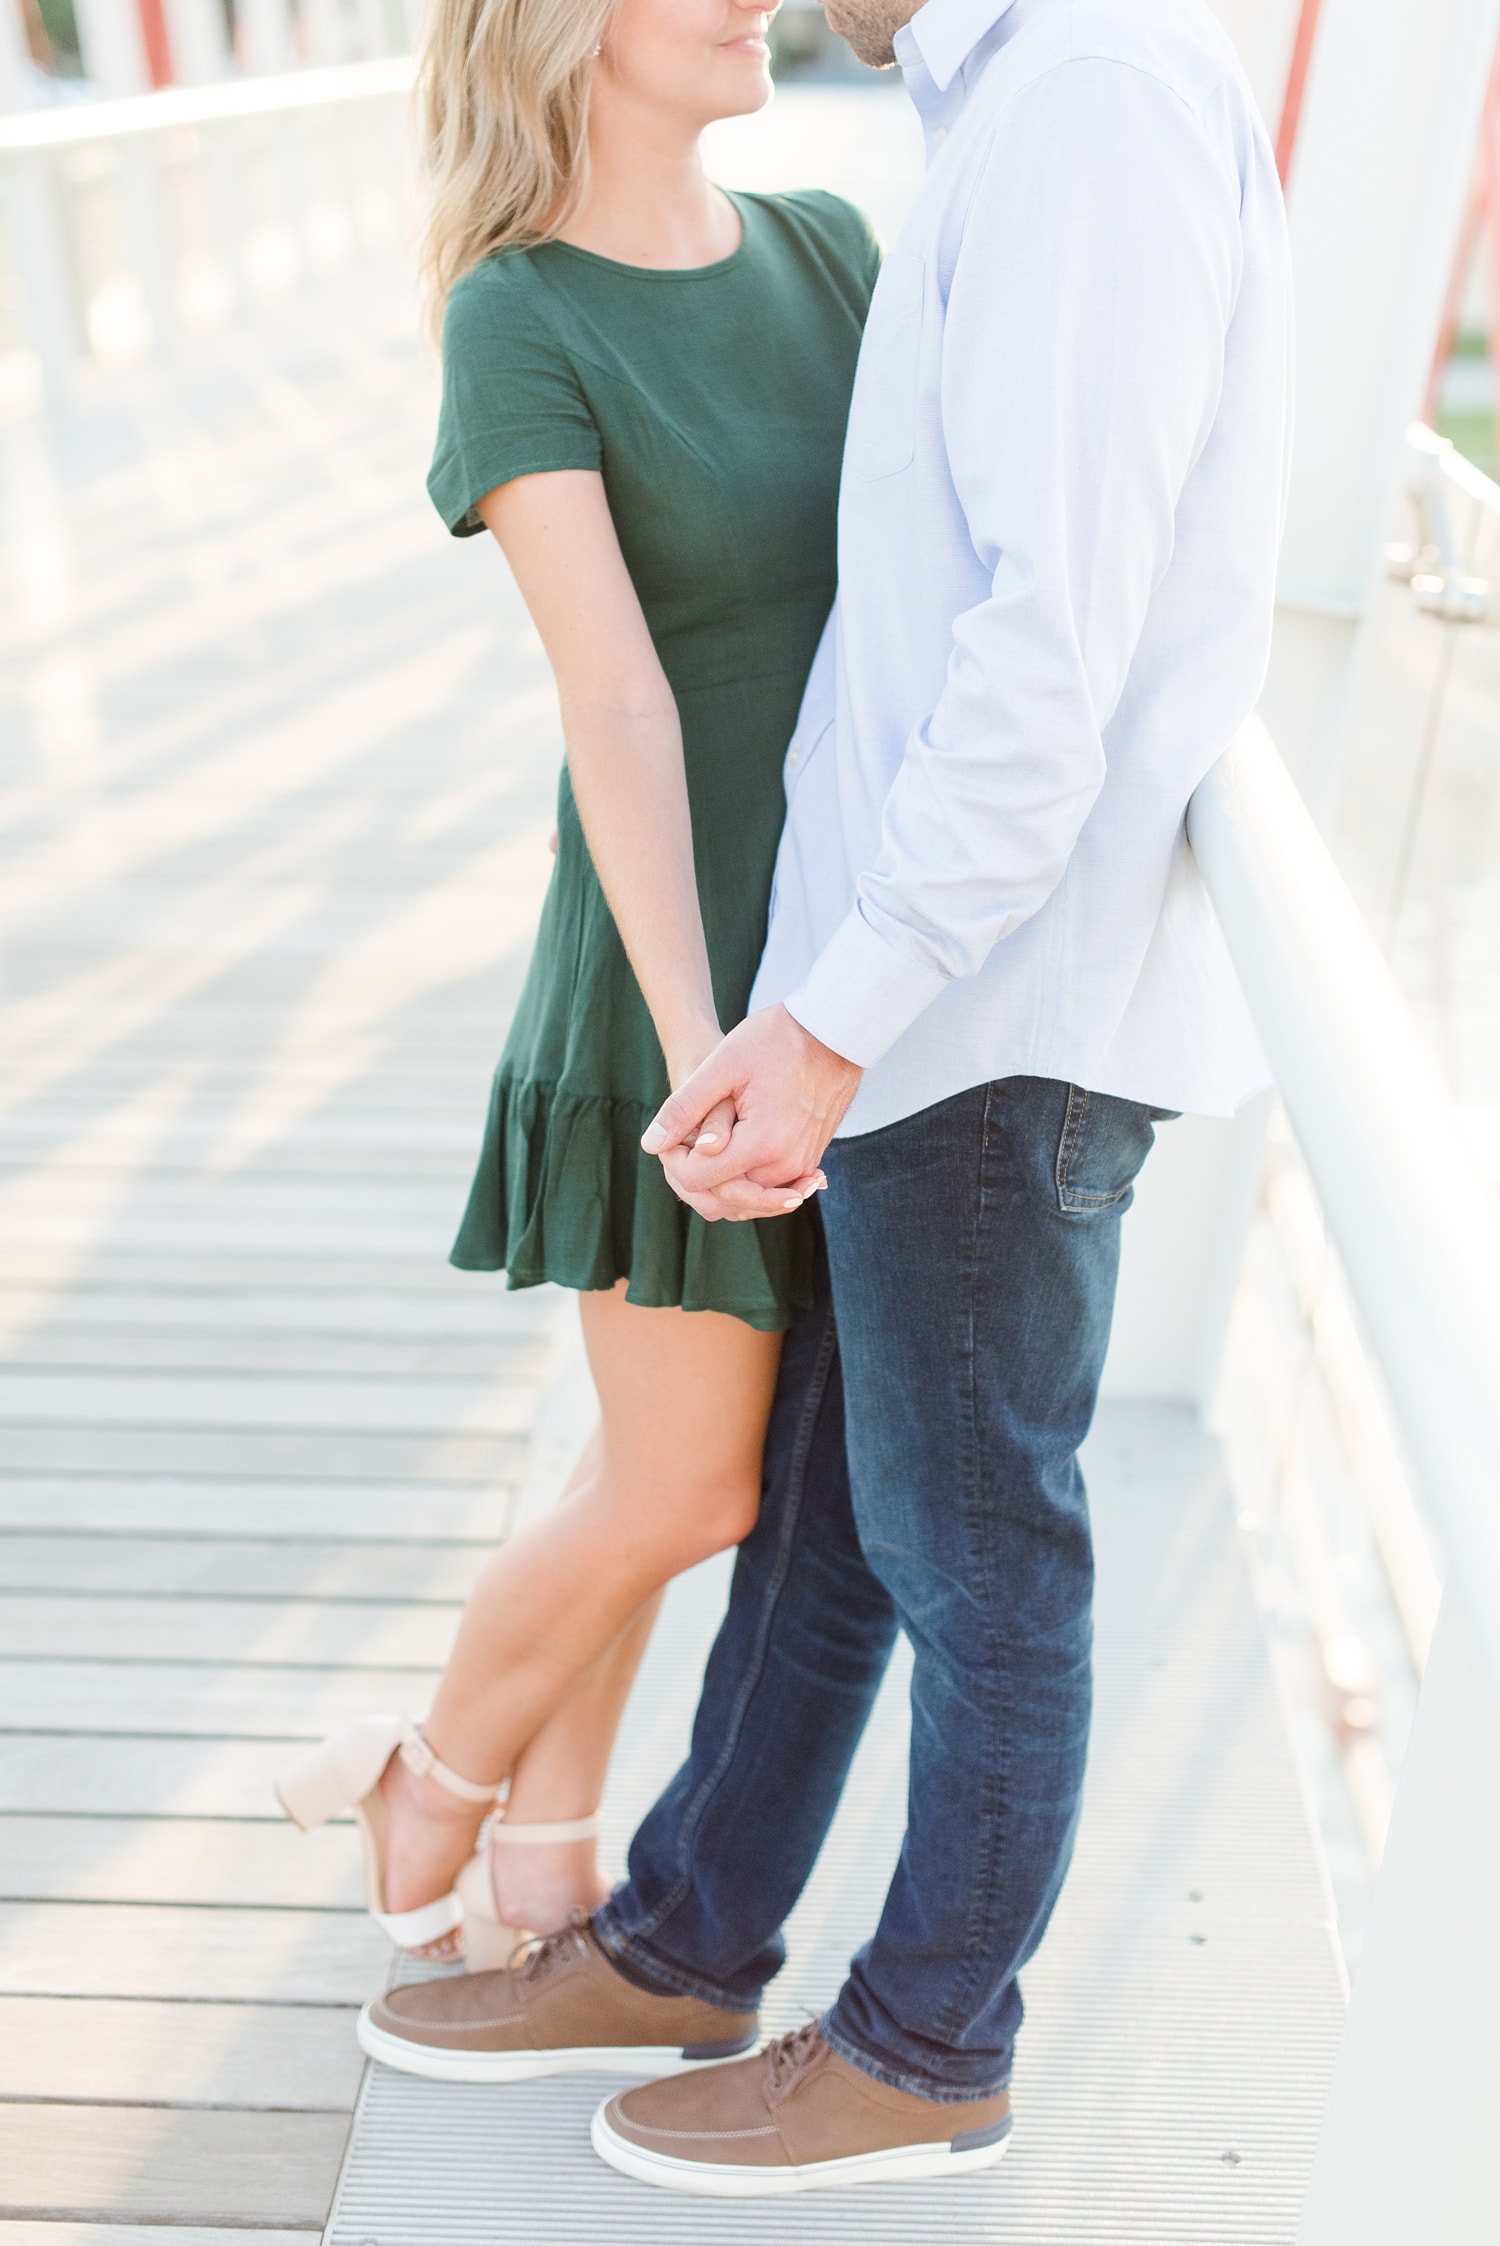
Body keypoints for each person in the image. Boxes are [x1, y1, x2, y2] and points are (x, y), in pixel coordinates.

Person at [357, 0, 1294, 2200]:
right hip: (875, 993)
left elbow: (1049, 651)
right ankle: (688, 1934)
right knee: (821, 1515)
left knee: (973, 1547)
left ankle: (923, 2043)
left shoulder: (1078, 104)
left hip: (964, 996)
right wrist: (796, 1009)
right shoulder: (994, 118)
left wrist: (843, 1006)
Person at [274, 0, 876, 1965]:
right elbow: (611, 689)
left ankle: (540, 1857)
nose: (754, 1)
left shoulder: (829, 256)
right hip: (667, 968)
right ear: (559, 30)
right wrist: (701, 1041)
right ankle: (430, 1771)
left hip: (848, 970)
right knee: (696, 1484)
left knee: (652, 1458)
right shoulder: (517, 317)